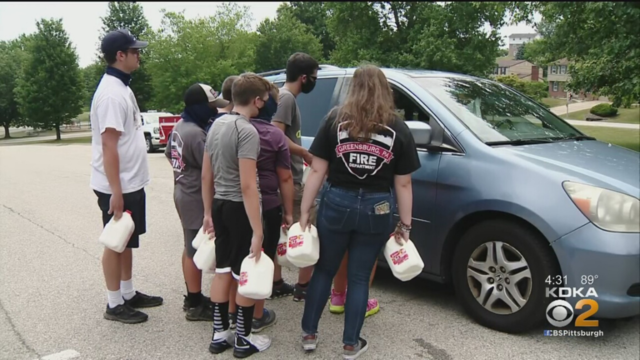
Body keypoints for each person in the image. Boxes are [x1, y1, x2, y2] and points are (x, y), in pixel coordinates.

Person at [298, 65, 421, 359]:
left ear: (352, 88)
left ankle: (309, 335)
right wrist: (405, 225)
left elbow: (317, 169)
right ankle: (351, 344)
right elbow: (403, 183)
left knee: (324, 270)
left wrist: (305, 209)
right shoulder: (398, 126)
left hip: (338, 201)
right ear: (385, 89)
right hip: (377, 207)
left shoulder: (335, 120)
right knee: (359, 276)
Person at [90, 28, 163, 324]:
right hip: (116, 185)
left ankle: (128, 292)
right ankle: (113, 303)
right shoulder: (110, 94)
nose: (139, 55)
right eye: (135, 51)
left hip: (131, 181)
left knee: (127, 239)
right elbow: (109, 145)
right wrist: (116, 191)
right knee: (114, 241)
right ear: (120, 56)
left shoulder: (123, 87)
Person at [202, 73, 272, 357]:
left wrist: (207, 211)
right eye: (264, 101)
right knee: (244, 271)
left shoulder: (216, 125)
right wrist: (258, 230)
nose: (265, 105)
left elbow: (206, 175)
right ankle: (243, 340)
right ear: (256, 100)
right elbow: (247, 184)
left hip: (219, 204)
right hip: (240, 209)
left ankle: (220, 334)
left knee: (222, 271)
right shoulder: (248, 131)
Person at [226, 82, 296, 332]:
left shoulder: (231, 127)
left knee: (238, 261)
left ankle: (234, 312)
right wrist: (288, 211)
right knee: (260, 259)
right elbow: (285, 177)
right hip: (265, 203)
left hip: (234, 203)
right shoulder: (274, 135)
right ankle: (256, 314)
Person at [164, 83, 229, 321]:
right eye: (211, 107)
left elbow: (167, 154)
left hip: (182, 190)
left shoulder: (181, 126)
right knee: (194, 248)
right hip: (194, 196)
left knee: (189, 244)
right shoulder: (197, 133)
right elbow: (211, 168)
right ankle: (194, 303)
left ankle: (193, 296)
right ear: (199, 107)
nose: (214, 111)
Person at [271, 52, 320, 301]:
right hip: (289, 177)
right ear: (303, 77)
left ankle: (276, 282)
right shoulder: (287, 98)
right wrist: (304, 152)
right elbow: (277, 136)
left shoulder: (283, 96)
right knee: (306, 227)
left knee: (279, 232)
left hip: (283, 178)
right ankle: (303, 287)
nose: (314, 81)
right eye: (313, 77)